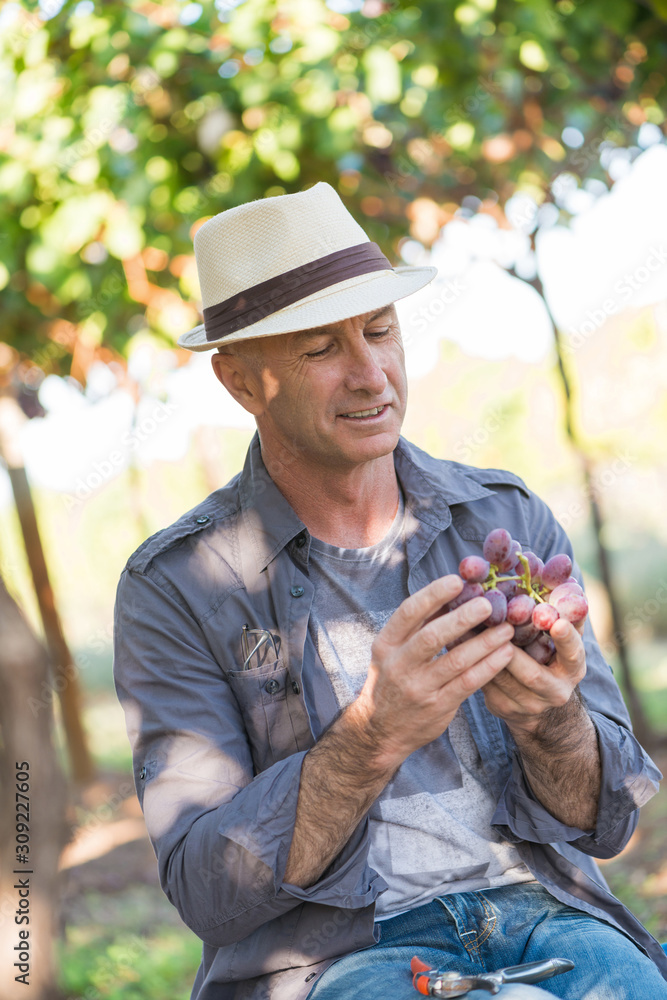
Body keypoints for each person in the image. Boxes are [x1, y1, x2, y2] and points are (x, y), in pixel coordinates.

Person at [113, 183, 667, 1000]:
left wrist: (547, 716)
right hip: (337, 960)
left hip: (547, 912)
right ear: (240, 381)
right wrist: (375, 732)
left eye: (379, 332)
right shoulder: (175, 587)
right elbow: (208, 889)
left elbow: (610, 820)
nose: (370, 374)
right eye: (320, 349)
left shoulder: (502, 520)